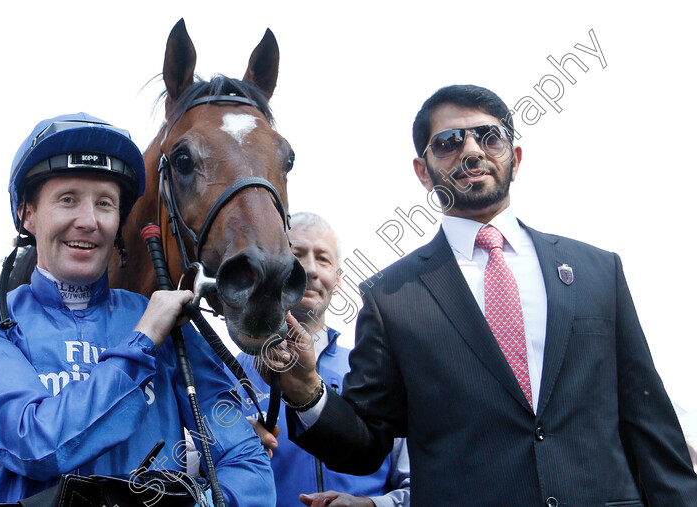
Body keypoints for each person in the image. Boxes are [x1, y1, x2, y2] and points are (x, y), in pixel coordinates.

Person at [271, 86, 697, 506]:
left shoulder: (597, 272)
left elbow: (649, 423)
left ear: (516, 157)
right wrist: (308, 389)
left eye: (489, 137)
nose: (472, 151)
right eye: (448, 142)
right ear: (423, 170)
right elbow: (367, 444)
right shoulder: (391, 297)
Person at [0, 113, 274, 506]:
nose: (88, 221)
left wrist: (200, 502)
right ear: (28, 214)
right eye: (68, 200)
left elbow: (245, 459)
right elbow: (39, 444)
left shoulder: (165, 322)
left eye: (105, 204)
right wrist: (142, 343)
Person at [234, 212, 410, 507]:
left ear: (338, 280)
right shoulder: (230, 373)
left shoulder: (380, 373)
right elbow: (198, 476)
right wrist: (227, 448)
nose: (311, 270)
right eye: (297, 255)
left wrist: (370, 505)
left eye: (324, 259)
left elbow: (419, 485)